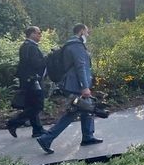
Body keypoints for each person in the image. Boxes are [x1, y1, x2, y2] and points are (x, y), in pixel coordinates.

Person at [36, 23, 103, 154]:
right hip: (76, 86)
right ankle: (46, 138)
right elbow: (80, 67)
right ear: (81, 31)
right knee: (73, 112)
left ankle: (88, 137)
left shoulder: (69, 44)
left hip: (71, 83)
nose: (88, 35)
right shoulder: (76, 46)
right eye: (87, 32)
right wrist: (84, 87)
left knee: (87, 109)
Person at [7, 26, 46, 138]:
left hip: (27, 80)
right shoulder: (31, 47)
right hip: (33, 81)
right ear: (32, 34)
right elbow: (36, 63)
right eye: (39, 33)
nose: (40, 35)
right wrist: (46, 60)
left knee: (31, 105)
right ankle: (14, 122)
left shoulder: (26, 46)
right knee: (37, 106)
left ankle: (37, 129)